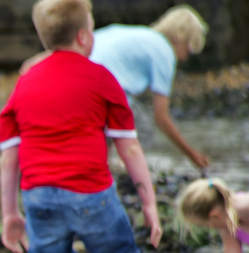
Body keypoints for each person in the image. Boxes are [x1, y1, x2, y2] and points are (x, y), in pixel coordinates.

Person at [0, 0, 162, 253]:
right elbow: (129, 147)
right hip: (89, 189)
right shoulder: (101, 78)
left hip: (38, 193)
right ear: (84, 35)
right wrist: (149, 203)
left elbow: (9, 159)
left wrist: (9, 213)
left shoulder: (23, 85)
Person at [19, 6, 209, 170]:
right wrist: (190, 153)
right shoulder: (165, 51)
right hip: (102, 90)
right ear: (182, 38)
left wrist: (36, 62)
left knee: (96, 134)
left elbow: (73, 47)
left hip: (72, 83)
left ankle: (99, 167)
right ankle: (123, 175)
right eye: (189, 49)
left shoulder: (129, 33)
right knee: (141, 130)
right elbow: (161, 118)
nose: (184, 57)